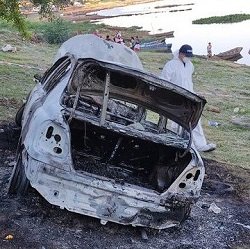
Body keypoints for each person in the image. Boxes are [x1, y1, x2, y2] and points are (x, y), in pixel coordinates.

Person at [160, 44, 216, 152]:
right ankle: (181, 144)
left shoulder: (190, 65)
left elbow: (188, 82)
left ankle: (200, 145)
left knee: (195, 119)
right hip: (175, 97)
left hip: (189, 97)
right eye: (186, 55)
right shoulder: (171, 65)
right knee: (177, 122)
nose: (188, 57)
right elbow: (164, 81)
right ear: (181, 53)